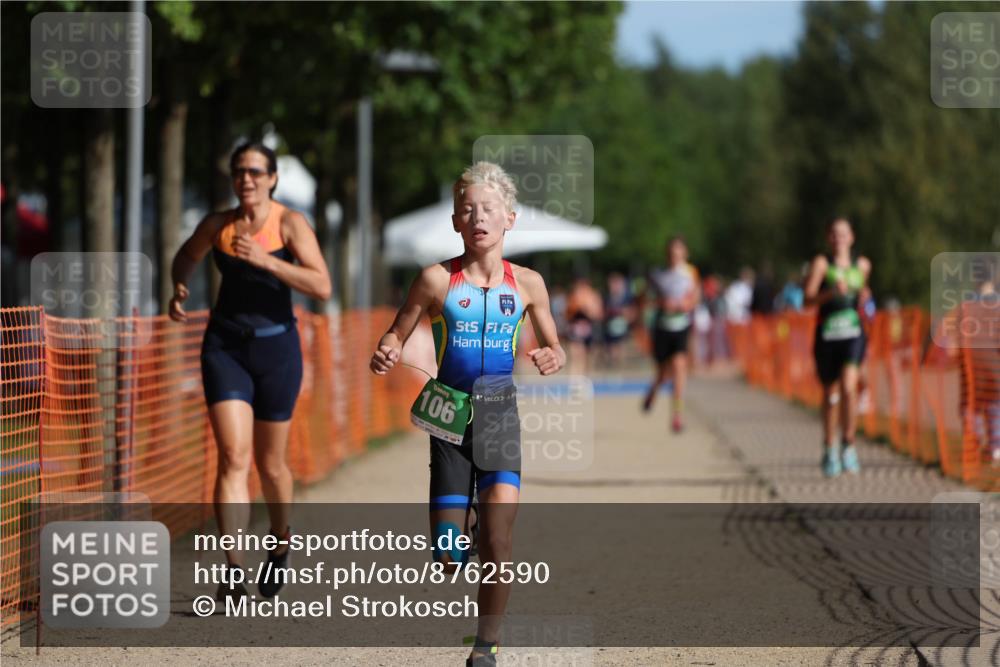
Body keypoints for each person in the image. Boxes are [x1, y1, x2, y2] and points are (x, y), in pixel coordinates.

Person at [369, 162, 565, 667]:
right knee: (449, 556)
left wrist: (550, 355)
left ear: (510, 220)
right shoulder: (436, 280)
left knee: (499, 543)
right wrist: (387, 348)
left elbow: (554, 345)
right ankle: (463, 526)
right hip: (449, 419)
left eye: (489, 209)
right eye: (468, 209)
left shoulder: (528, 285)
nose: (479, 217)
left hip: (500, 416)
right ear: (457, 221)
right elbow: (397, 330)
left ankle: (486, 645)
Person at [169, 143, 331, 599]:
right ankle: (234, 568)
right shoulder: (218, 224)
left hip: (277, 349)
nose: (247, 179)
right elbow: (185, 255)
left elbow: (321, 284)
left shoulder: (291, 224)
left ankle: (280, 542)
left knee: (272, 464)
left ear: (272, 178)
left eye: (256, 172)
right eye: (240, 171)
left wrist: (266, 261)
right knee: (233, 457)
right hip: (225, 347)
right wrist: (178, 285)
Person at [803, 216, 871, 477]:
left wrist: (865, 295)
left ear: (851, 237)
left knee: (849, 387)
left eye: (843, 233)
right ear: (827, 238)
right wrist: (830, 293)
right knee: (831, 396)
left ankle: (849, 445)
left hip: (853, 334)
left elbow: (863, 296)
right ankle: (829, 447)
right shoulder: (822, 264)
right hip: (827, 335)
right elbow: (807, 300)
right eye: (833, 233)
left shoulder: (862, 265)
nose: (838, 238)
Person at [642, 237, 700, 433]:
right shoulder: (658, 274)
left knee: (679, 367)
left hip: (681, 327)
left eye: (679, 252)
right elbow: (645, 298)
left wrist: (686, 305)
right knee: (663, 373)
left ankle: (677, 415)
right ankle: (653, 392)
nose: (675, 256)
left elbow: (695, 297)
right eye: (672, 252)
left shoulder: (691, 273)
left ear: (685, 253)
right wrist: (661, 303)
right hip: (661, 327)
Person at [564, 276, 604, 373]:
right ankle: (575, 380)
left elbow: (599, 314)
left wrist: (587, 309)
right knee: (576, 355)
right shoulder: (574, 296)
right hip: (576, 328)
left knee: (587, 356)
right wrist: (576, 307)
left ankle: (585, 378)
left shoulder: (593, 296)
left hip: (588, 328)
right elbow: (568, 314)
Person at [602, 272, 634, 368]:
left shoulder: (627, 297)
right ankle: (612, 367)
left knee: (620, 347)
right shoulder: (607, 297)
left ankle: (621, 367)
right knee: (611, 349)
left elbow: (632, 312)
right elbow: (602, 312)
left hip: (622, 327)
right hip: (610, 328)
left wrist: (623, 313)